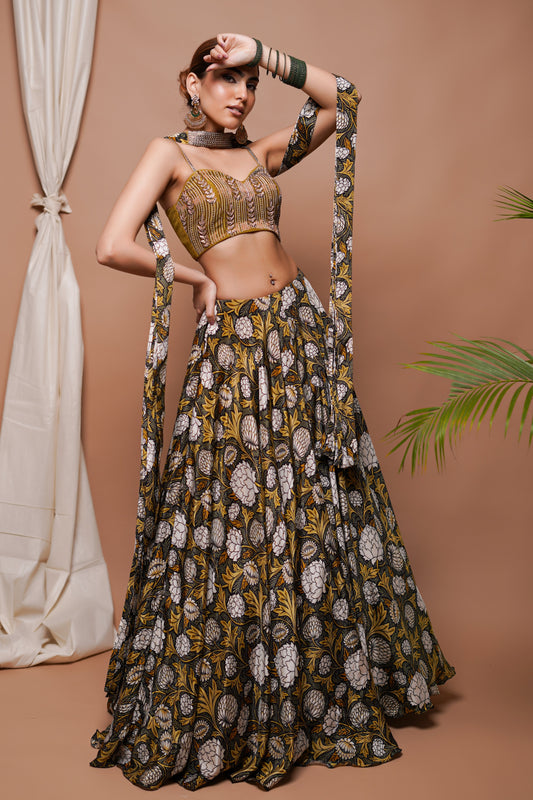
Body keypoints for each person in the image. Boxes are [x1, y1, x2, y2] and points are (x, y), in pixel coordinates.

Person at [90, 32, 455, 791]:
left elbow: (344, 102)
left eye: (249, 81)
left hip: (299, 333)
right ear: (191, 84)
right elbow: (112, 245)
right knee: (236, 513)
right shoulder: (169, 156)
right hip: (235, 349)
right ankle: (244, 693)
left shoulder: (260, 154)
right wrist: (194, 278)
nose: (241, 93)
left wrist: (267, 50)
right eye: (226, 78)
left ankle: (317, 681)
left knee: (314, 500)